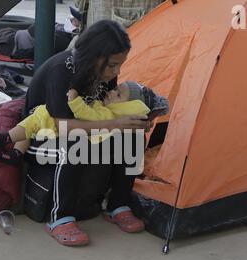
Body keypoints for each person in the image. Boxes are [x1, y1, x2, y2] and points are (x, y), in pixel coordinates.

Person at [21, 20, 151, 247]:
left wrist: (135, 121)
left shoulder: (104, 75)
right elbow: (62, 126)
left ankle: (118, 205)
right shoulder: (62, 70)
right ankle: (59, 218)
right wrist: (115, 125)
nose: (116, 72)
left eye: (120, 65)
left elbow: (105, 111)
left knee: (133, 136)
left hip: (84, 131)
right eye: (112, 65)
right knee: (74, 141)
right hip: (41, 136)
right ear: (93, 56)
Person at [0, 81, 169, 164]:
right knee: (30, 123)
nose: (111, 91)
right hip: (57, 124)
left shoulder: (107, 116)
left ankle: (7, 139)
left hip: (58, 130)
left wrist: (74, 99)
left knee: (31, 124)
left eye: (118, 94)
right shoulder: (109, 111)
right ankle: (14, 152)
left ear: (129, 108)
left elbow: (84, 113)